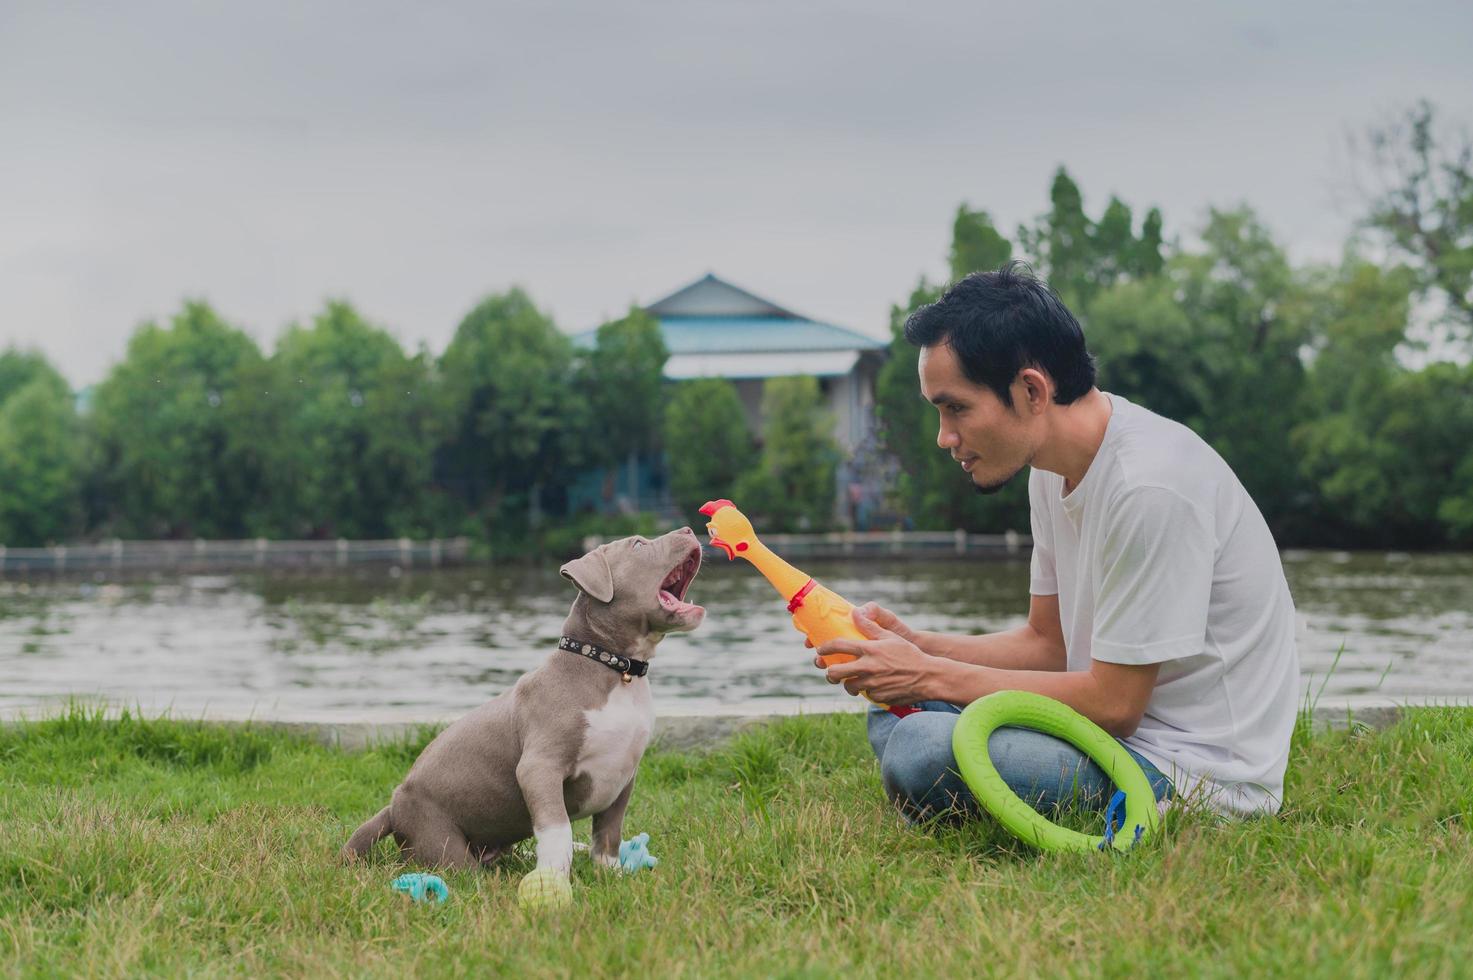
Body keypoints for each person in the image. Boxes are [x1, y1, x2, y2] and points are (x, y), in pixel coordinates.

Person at [816, 262, 1300, 819]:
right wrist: (917, 646)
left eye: (956, 409)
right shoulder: (1052, 467)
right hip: (1101, 739)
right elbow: (1048, 644)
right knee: (894, 704)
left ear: (1030, 390)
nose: (945, 437)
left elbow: (1116, 706)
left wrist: (929, 674)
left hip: (1187, 773)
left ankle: (955, 785)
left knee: (923, 746)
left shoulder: (1150, 487)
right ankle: (963, 781)